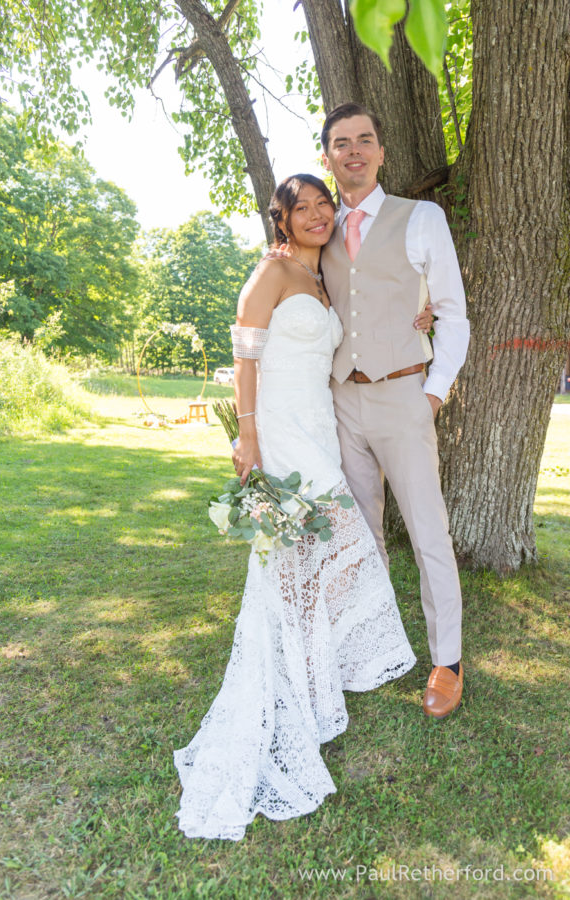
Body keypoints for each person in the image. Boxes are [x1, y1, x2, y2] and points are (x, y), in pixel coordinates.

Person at [173, 174, 432, 841]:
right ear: (281, 219)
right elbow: (244, 351)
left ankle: (315, 684)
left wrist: (424, 309)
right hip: (281, 436)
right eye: (302, 208)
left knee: (318, 556)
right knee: (300, 556)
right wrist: (249, 437)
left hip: (318, 425)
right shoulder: (273, 269)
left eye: (324, 205)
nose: (317, 215)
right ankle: (285, 691)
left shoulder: (325, 280)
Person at [320, 103, 470, 720]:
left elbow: (453, 314)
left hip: (404, 394)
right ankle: (372, 643)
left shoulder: (422, 217)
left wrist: (433, 393)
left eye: (364, 140)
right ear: (326, 156)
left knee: (428, 531)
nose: (353, 151)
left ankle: (448, 660)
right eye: (340, 143)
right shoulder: (316, 225)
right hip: (339, 400)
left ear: (381, 152)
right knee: (359, 532)